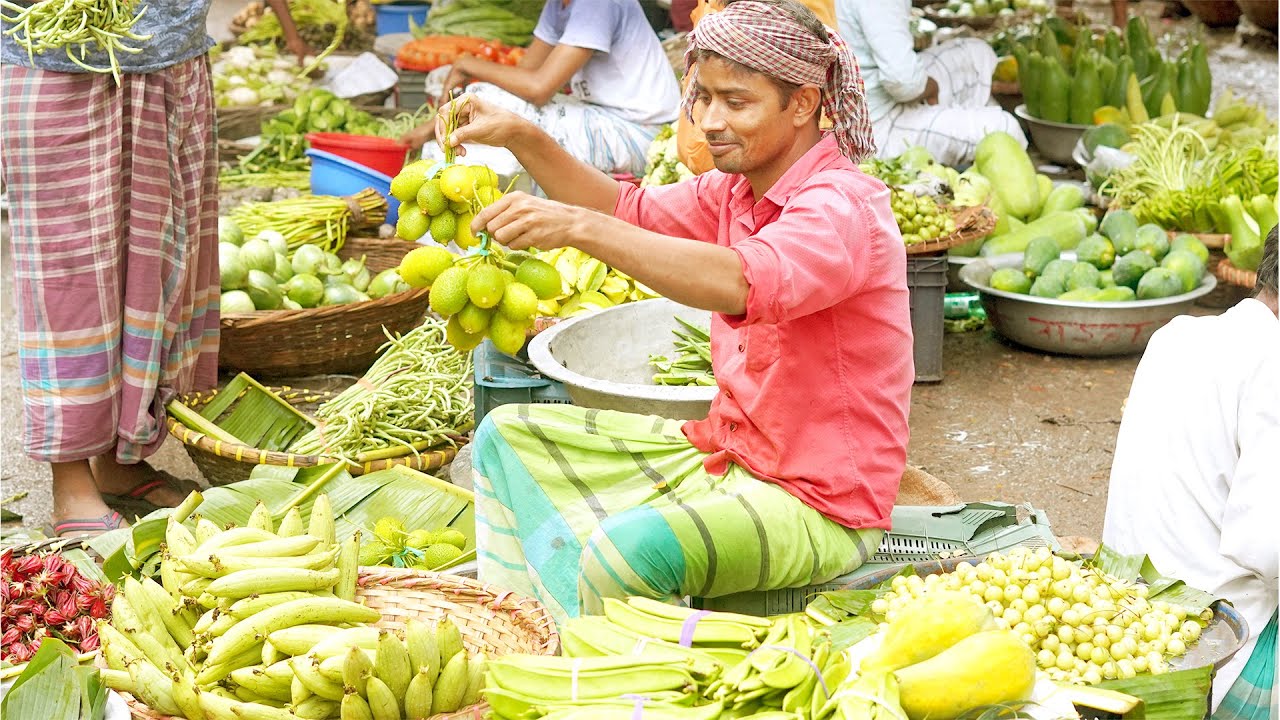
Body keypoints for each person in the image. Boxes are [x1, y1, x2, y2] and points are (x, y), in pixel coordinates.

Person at [433, 0, 913, 624]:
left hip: (816, 504)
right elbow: (624, 208)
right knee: (505, 438)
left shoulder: (842, 209)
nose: (710, 121)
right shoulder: (738, 189)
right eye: (703, 97)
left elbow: (742, 281)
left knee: (624, 555)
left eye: (736, 103)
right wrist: (525, 137)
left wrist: (577, 229)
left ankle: (597, 680)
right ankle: (532, 629)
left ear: (802, 103)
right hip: (731, 453)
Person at [1, 3, 223, 536]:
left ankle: (119, 461)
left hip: (172, 54)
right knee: (74, 279)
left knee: (159, 269)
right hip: (62, 61)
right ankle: (71, 482)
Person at [1102, 228, 1278, 718]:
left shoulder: (1176, 335)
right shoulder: (1274, 364)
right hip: (1216, 650)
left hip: (1122, 629)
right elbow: (1265, 547)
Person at [400, 0, 681, 179]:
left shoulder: (597, 5)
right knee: (489, 99)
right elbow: (524, 75)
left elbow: (539, 89)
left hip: (641, 133)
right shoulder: (558, 6)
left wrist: (466, 65)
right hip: (602, 118)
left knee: (496, 109)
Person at [835, 0, 1026, 166]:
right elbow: (903, 82)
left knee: (977, 53)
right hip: (873, 129)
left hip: (874, 96)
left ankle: (956, 128)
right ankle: (964, 134)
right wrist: (931, 88)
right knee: (1006, 131)